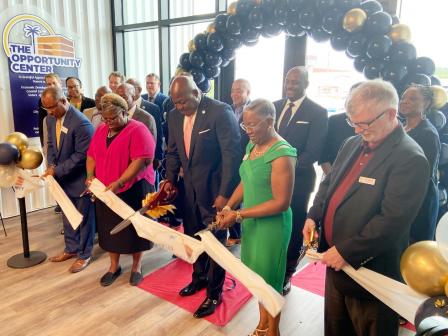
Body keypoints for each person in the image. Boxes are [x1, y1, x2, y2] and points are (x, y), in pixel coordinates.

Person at [303, 80, 430, 336]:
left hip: (372, 274)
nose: (359, 129)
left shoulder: (410, 158)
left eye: (365, 123)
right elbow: (329, 183)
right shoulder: (351, 143)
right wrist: (313, 215)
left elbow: (392, 221)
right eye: (354, 122)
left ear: (391, 114)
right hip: (336, 265)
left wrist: (347, 251)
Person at [217, 99, 296, 336]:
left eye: (252, 125)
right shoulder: (253, 145)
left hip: (272, 226)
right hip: (251, 220)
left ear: (270, 122)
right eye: (245, 126)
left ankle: (273, 331)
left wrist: (238, 214)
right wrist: (229, 205)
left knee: (270, 282)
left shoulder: (282, 153)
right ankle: (262, 324)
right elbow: (246, 180)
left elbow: (281, 203)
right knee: (257, 278)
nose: (248, 130)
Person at [165, 76, 241, 318]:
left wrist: (225, 195)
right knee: (194, 239)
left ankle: (214, 292)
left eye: (183, 102)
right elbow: (173, 151)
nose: (179, 107)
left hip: (214, 192)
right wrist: (169, 180)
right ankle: (198, 278)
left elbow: (232, 155)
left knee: (216, 243)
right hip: (189, 192)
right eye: (175, 103)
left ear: (196, 93)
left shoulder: (220, 112)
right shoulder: (174, 116)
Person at [86, 93, 155, 287]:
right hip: (106, 190)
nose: (108, 122)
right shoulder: (101, 130)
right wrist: (90, 175)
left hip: (133, 188)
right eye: (105, 118)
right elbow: (91, 155)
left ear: (125, 112)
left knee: (135, 230)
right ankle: (113, 266)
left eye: (113, 118)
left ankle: (136, 266)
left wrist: (120, 181)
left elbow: (139, 161)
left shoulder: (138, 130)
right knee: (109, 231)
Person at [273, 66, 328, 295]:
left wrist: (282, 166)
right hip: (270, 180)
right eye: (288, 81)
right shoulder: (274, 107)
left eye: (295, 82)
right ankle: (272, 267)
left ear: (306, 84)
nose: (290, 86)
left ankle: (287, 273)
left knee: (294, 228)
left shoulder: (317, 112)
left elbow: (313, 152)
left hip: (299, 181)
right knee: (274, 226)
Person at [42, 87, 95, 273]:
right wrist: (51, 166)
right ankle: (71, 249)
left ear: (63, 101)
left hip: (79, 179)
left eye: (51, 108)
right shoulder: (50, 119)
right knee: (67, 216)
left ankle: (84, 255)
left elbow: (82, 156)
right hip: (62, 179)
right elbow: (51, 145)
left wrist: (57, 170)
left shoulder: (81, 123)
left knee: (83, 220)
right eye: (46, 108)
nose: (48, 112)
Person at [399, 84, 441, 242]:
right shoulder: (401, 128)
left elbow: (422, 176)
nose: (405, 101)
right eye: (403, 98)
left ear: (427, 103)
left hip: (419, 203)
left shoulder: (427, 134)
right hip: (401, 198)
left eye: (413, 98)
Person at [226, 78, 252, 247]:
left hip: (246, 161)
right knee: (232, 195)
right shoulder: (228, 110)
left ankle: (238, 234)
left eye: (239, 90)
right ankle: (235, 232)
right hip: (230, 162)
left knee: (241, 197)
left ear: (248, 93)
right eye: (233, 90)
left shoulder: (251, 111)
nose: (234, 94)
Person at [126, 78, 164, 170]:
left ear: (138, 90)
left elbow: (158, 134)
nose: (127, 90)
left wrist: (158, 157)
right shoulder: (122, 108)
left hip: (146, 159)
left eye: (131, 88)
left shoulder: (152, 108)